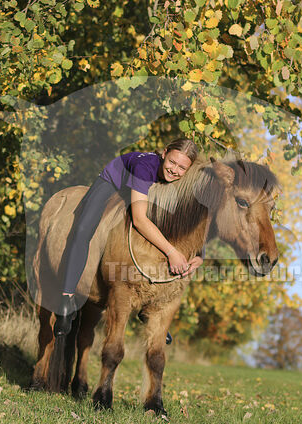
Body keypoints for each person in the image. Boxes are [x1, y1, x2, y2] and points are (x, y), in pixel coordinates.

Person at [54, 138, 204, 338]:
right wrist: (172, 252)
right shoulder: (145, 167)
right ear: (164, 153)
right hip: (114, 181)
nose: (174, 170)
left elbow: (189, 224)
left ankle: (150, 310)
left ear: (189, 169)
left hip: (145, 189)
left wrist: (200, 255)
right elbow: (140, 220)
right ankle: (66, 299)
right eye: (172, 162)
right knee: (83, 228)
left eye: (182, 168)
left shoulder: (181, 181)